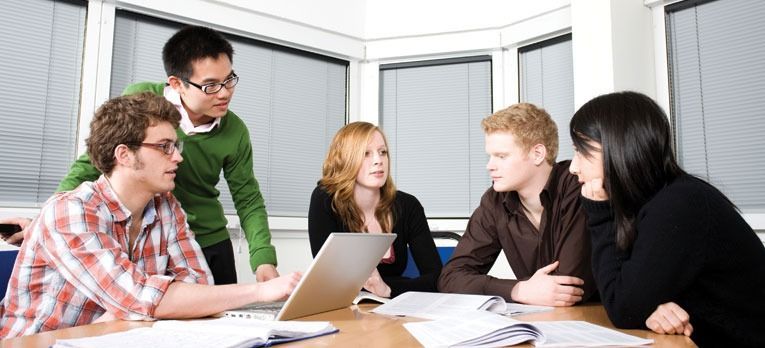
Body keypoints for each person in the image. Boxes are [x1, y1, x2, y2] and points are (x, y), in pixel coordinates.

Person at [0, 93, 300, 338]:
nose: (178, 157)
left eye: (176, 145)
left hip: (116, 339)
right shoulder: (70, 211)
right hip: (37, 343)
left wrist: (140, 305)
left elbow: (198, 290)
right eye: (164, 147)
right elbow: (141, 298)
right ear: (124, 155)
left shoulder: (166, 207)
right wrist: (260, 290)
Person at [56, 26, 278, 284]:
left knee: (219, 312)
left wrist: (263, 259)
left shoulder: (235, 130)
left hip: (208, 240)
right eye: (211, 85)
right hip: (151, 235)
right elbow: (95, 160)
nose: (225, 92)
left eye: (229, 80)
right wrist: (55, 213)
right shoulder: (141, 101)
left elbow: (248, 197)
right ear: (177, 84)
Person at [569, 91, 765, 347]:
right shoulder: (649, 202)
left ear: (620, 149)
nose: (574, 167)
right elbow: (627, 296)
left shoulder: (680, 204)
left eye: (582, 152)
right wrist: (650, 309)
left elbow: (622, 307)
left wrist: (600, 215)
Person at [438, 103, 595, 306]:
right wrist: (518, 290)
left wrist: (525, 291)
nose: (490, 166)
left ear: (538, 154)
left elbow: (567, 287)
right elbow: (450, 278)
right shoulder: (494, 201)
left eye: (501, 156)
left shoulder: (576, 184)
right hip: (542, 321)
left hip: (595, 318)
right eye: (490, 156)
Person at [308, 122, 442, 298]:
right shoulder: (326, 200)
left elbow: (437, 279)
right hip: (344, 312)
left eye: (383, 152)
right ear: (345, 160)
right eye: (366, 154)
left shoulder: (408, 206)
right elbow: (329, 280)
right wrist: (404, 284)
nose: (378, 160)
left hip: (393, 312)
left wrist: (387, 289)